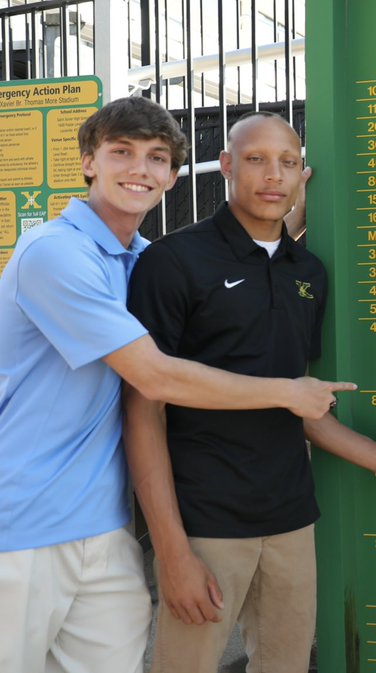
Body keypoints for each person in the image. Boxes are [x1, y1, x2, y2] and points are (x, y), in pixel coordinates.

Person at [0, 98, 354, 673]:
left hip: (105, 522)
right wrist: (288, 391)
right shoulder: (55, 253)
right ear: (89, 161)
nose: (140, 169)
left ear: (172, 175)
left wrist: (279, 216)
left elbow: (225, 276)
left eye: (157, 158)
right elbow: (154, 375)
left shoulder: (139, 259)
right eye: (121, 153)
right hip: (23, 524)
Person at [123, 112, 376, 673]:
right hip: (204, 521)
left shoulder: (310, 272)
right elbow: (141, 411)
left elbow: (301, 405)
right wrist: (173, 552)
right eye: (255, 159)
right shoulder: (173, 262)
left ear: (304, 174)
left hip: (290, 520)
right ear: (226, 166)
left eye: (288, 162)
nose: (273, 175)